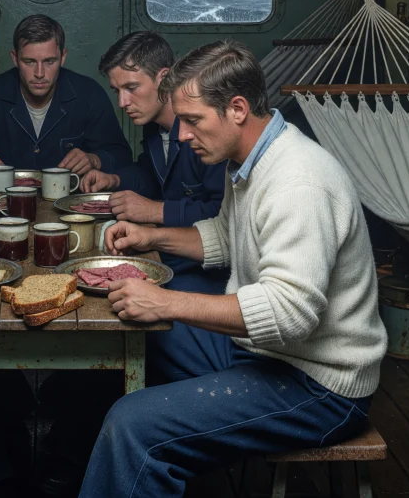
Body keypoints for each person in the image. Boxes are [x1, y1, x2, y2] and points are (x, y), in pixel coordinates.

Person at [80, 40, 385, 498]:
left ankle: (146, 452)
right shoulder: (247, 159)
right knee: (132, 342)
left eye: (194, 120)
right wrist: (152, 237)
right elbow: (226, 238)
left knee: (132, 425)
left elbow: (288, 314)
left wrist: (167, 301)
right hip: (265, 355)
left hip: (318, 385)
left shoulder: (297, 182)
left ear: (238, 108)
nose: (182, 135)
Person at [81, 31, 227, 294]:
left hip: (210, 271)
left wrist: (153, 211)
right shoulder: (153, 126)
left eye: (132, 88)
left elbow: (224, 216)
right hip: (170, 253)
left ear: (163, 78)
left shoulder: (207, 133)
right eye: (117, 91)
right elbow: (151, 175)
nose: (123, 102)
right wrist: (113, 180)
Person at [0, 14, 132, 175]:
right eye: (29, 62)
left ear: (63, 57)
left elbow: (122, 156)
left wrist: (94, 160)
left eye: (49, 61)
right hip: (3, 203)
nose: (39, 73)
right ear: (15, 58)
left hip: (71, 205)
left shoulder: (90, 94)